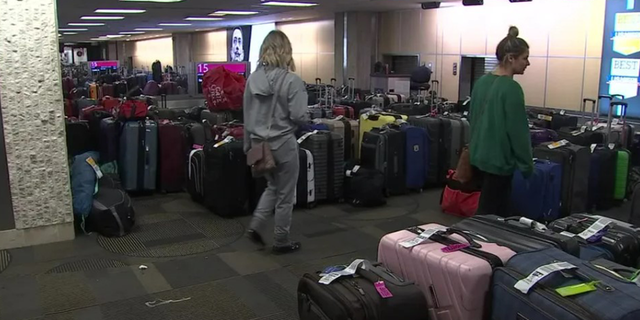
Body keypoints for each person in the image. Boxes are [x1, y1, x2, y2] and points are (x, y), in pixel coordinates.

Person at [243, 30, 308, 254]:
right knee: (285, 194)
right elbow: (299, 115)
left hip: (260, 145)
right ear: (286, 51)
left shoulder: (252, 79)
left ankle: (256, 225)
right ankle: (281, 240)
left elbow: (246, 114)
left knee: (273, 186)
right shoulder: (292, 80)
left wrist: (248, 146)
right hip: (283, 144)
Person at [469, 26, 533, 217]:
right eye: (525, 58)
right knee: (492, 215)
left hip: (478, 156)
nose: (528, 63)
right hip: (499, 161)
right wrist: (527, 165)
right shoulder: (511, 88)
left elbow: (472, 118)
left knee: (487, 207)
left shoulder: (480, 82)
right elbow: (518, 131)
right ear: (510, 58)